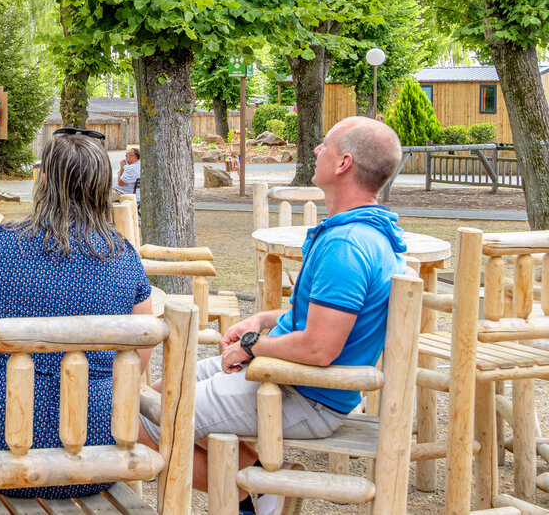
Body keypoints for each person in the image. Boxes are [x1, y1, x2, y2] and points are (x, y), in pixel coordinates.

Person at [138, 116, 408, 515]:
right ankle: (263, 485)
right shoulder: (365, 233)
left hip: (302, 392)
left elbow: (319, 347)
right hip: (288, 380)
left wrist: (252, 347)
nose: (316, 150)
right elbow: (332, 319)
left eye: (325, 145)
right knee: (152, 394)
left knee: (142, 425)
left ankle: (255, 495)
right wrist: (263, 320)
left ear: (343, 163)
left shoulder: (347, 246)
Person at [0, 128, 153, 500]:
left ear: (44, 181)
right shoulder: (124, 257)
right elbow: (137, 358)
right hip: (95, 458)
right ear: (101, 188)